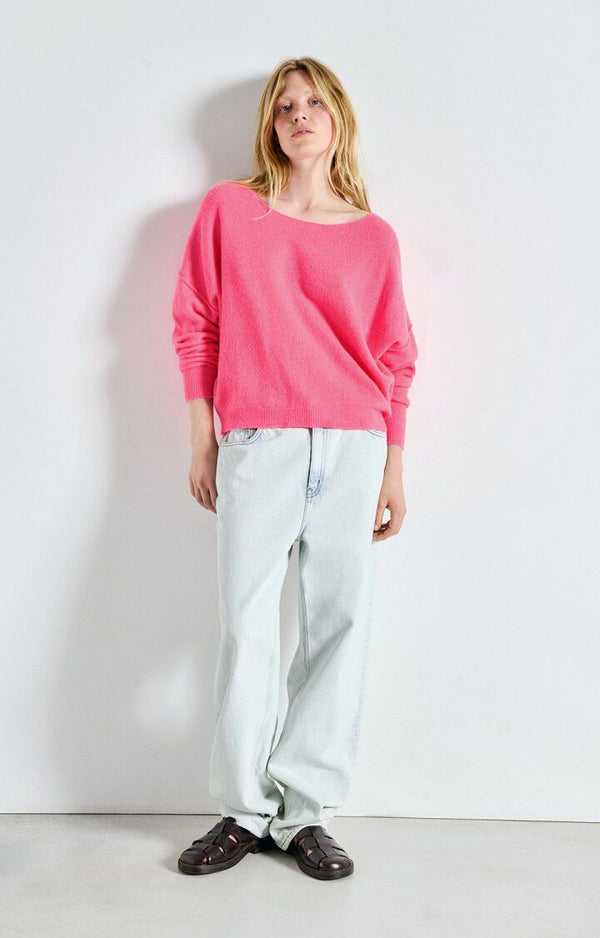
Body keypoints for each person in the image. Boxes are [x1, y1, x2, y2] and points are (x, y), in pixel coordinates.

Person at [171, 56, 418, 881]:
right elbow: (197, 322)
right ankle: (244, 811)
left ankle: (305, 812)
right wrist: (204, 436)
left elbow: (395, 357)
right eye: (284, 107)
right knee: (247, 626)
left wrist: (394, 466)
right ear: (270, 125)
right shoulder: (230, 210)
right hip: (260, 442)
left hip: (354, 445)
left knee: (338, 625)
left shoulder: (374, 236)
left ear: (338, 117)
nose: (299, 116)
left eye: (314, 103)